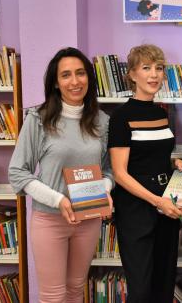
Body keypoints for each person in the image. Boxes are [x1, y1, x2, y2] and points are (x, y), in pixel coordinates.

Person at [8, 47, 114, 303]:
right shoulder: (38, 119)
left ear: (89, 77)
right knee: (53, 296)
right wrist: (59, 200)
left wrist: (105, 190)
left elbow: (108, 169)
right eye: (66, 75)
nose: (75, 81)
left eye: (80, 73)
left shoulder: (102, 120)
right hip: (50, 219)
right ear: (56, 83)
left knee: (76, 288)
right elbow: (17, 174)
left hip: (88, 217)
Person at [108, 44, 182, 303]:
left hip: (167, 205)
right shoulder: (121, 117)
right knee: (142, 289)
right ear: (132, 74)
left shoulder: (161, 113)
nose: (154, 74)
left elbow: (153, 156)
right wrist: (158, 202)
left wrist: (174, 163)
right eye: (146, 68)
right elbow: (120, 173)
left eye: (159, 68)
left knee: (164, 284)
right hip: (137, 210)